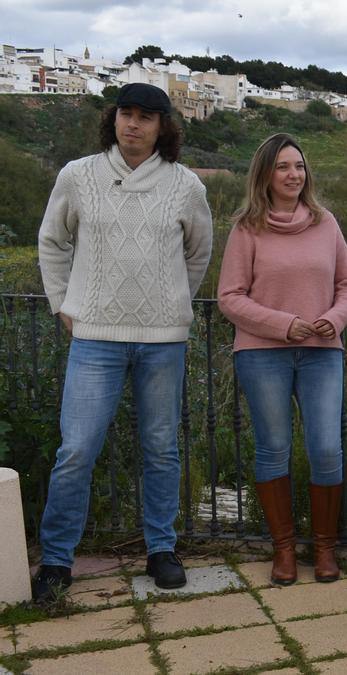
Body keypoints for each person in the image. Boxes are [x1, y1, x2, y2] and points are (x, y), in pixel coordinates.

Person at [32, 83, 213, 601]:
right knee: (77, 449)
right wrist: (64, 304)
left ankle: (161, 550)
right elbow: (52, 239)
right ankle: (57, 561)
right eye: (126, 115)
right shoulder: (78, 175)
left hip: (163, 342)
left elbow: (197, 254)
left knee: (160, 448)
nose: (133, 125)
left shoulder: (185, 186)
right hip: (94, 338)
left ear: (163, 127)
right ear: (113, 120)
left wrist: (171, 303)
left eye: (146, 117)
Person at [218, 133, 347, 585]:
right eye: (282, 167)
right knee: (274, 449)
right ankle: (283, 550)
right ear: (265, 173)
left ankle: (323, 549)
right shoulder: (247, 228)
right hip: (262, 355)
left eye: (298, 166)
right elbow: (229, 298)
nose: (293, 174)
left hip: (321, 353)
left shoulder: (326, 223)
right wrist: (284, 324)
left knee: (325, 449)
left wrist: (333, 319)